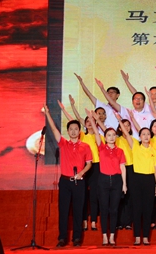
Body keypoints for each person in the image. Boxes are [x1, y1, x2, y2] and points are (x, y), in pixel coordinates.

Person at [43, 105, 93, 247]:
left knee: (78, 211)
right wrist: (47, 113)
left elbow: (89, 164)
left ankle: (77, 238)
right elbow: (54, 129)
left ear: (79, 131)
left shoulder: (85, 146)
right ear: (68, 131)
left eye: (76, 129)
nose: (73, 131)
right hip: (65, 182)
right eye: (71, 129)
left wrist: (81, 173)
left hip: (79, 182)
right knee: (63, 211)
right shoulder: (64, 144)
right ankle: (62, 238)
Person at [115, 111, 156, 246]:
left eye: (148, 134)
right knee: (137, 208)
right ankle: (137, 237)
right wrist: (119, 120)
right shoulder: (135, 146)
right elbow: (126, 133)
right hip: (136, 179)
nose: (146, 136)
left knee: (148, 209)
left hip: (150, 180)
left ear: (150, 137)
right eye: (143, 134)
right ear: (139, 136)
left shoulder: (154, 151)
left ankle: (145, 236)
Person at [86, 109, 127, 246]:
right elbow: (96, 131)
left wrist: (124, 184)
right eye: (108, 135)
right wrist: (93, 120)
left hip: (116, 181)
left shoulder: (120, 151)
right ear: (105, 137)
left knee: (114, 209)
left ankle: (112, 236)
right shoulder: (101, 148)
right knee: (104, 209)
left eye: (113, 135)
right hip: (103, 181)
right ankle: (104, 236)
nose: (111, 137)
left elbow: (122, 168)